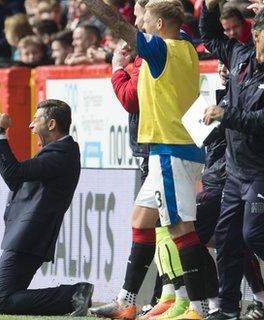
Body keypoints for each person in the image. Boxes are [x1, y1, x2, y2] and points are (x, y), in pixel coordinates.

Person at [83, 0, 209, 318]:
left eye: (146, 20)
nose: (141, 25)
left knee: (181, 228)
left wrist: (92, 5)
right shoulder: (187, 48)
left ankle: (199, 308)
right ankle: (127, 303)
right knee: (141, 220)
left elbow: (119, 25)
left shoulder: (163, 49)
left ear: (159, 24)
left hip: (171, 149)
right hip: (168, 149)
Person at [200, 0, 264, 317]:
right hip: (235, 174)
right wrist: (210, 7)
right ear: (255, 34)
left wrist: (225, 113)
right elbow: (210, 35)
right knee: (227, 242)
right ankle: (228, 310)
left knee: (253, 234)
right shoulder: (238, 55)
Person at [0, 99, 93, 315]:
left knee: (2, 302)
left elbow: (14, 173)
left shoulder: (61, 152)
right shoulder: (59, 151)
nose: (30, 125)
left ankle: (74, 294)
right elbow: (16, 181)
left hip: (29, 236)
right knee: (4, 300)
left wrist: (0, 134)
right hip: (28, 235)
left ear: (52, 124)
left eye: (36, 119)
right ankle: (74, 296)